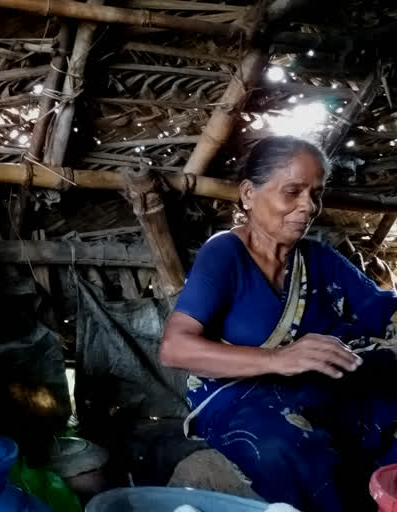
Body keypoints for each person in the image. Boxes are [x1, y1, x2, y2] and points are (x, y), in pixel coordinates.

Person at [161, 135, 397, 512]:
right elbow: (175, 348)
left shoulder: (319, 258)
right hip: (240, 400)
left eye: (315, 194)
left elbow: (381, 310)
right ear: (249, 195)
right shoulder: (224, 254)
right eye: (293, 191)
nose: (308, 206)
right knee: (283, 446)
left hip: (314, 391)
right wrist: (278, 359)